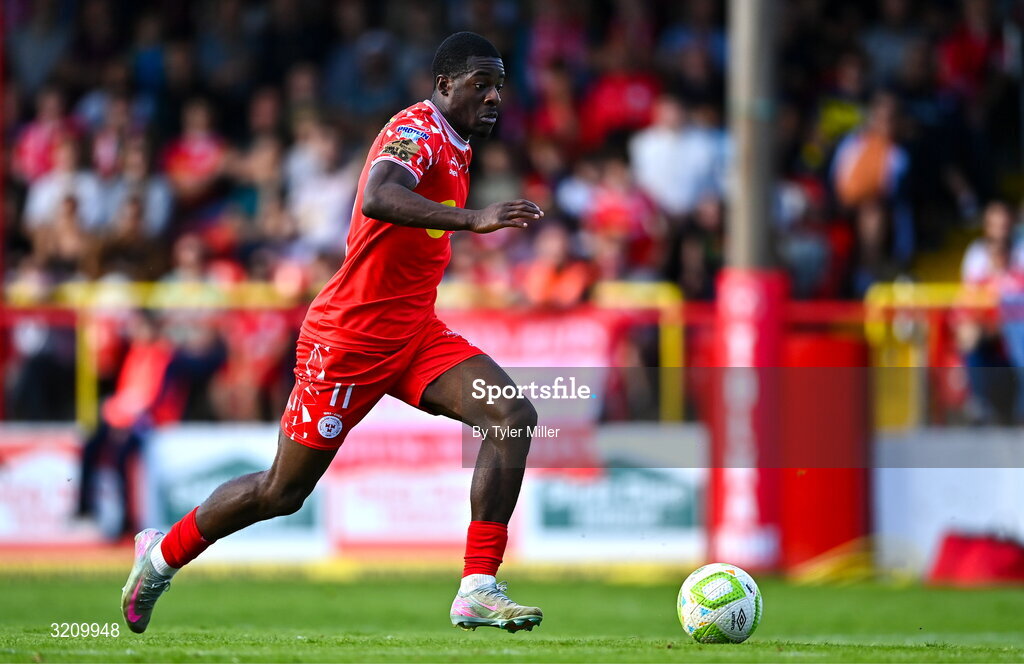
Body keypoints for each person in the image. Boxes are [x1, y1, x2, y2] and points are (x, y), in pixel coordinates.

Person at [120, 32, 545, 635]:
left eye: (499, 85)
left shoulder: (458, 140)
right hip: (348, 340)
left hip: (414, 333)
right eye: (482, 84)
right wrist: (473, 220)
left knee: (512, 416)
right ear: (445, 84)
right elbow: (377, 196)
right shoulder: (416, 131)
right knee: (281, 491)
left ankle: (478, 586)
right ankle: (161, 556)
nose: (495, 96)